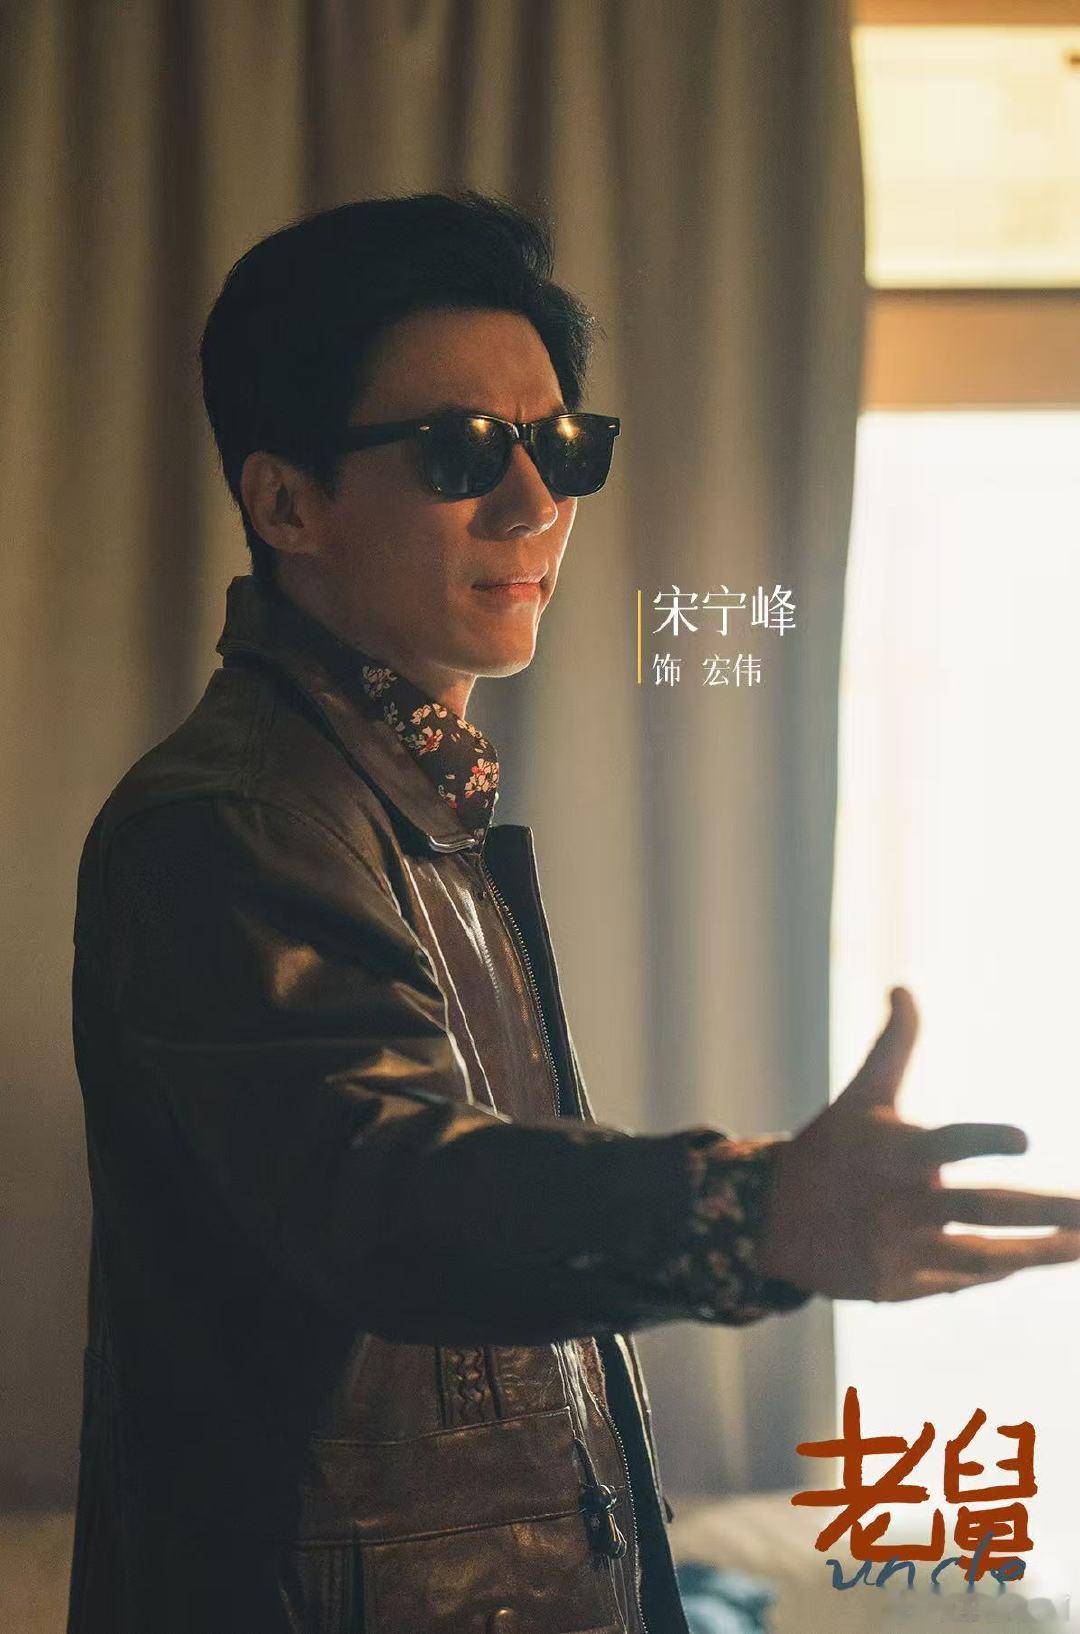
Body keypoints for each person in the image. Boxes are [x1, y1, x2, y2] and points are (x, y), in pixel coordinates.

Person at [66, 190, 1080, 1634]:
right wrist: (748, 1212)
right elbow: (381, 1197)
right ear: (287, 503)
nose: (538, 503)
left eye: (562, 444)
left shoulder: (402, 799)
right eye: (462, 449)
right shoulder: (237, 820)